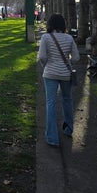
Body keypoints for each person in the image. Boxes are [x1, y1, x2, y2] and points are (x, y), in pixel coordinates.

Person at [37, 13, 80, 147]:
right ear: (63, 25)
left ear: (50, 25)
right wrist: (68, 64)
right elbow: (76, 57)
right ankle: (68, 129)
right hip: (65, 74)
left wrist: (47, 66)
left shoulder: (46, 37)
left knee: (51, 103)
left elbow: (42, 57)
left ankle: (52, 137)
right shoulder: (69, 38)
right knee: (67, 100)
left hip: (50, 73)